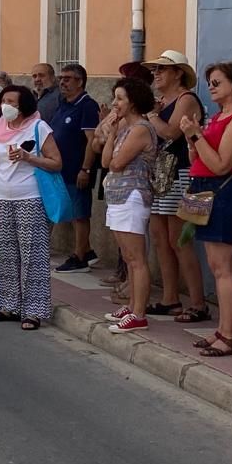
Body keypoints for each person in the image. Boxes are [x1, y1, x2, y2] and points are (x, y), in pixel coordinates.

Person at [180, 62, 232, 357]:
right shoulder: (217, 118)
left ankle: (229, 335)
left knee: (224, 268)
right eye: (209, 82)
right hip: (203, 189)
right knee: (215, 265)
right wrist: (192, 137)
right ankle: (222, 330)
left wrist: (197, 135)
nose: (210, 87)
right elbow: (197, 158)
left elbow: (222, 164)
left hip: (223, 192)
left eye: (216, 82)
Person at [0, 85, 62, 330]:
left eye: (12, 102)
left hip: (30, 199)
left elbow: (56, 162)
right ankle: (8, 306)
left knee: (33, 256)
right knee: (4, 255)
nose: (6, 106)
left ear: (24, 106)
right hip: (4, 199)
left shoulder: (38, 127)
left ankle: (33, 311)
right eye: (3, 100)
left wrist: (29, 157)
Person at [142, 51, 209, 321]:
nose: (156, 74)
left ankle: (198, 302)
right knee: (160, 238)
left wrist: (151, 116)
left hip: (182, 173)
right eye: (154, 70)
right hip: (161, 174)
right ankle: (170, 298)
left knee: (179, 239)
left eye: (162, 69)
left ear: (178, 73)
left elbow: (171, 132)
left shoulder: (187, 99)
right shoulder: (163, 102)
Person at [100, 78, 158, 333]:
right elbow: (104, 160)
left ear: (133, 101)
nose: (115, 103)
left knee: (137, 258)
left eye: (120, 98)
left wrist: (114, 148)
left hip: (133, 195)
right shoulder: (124, 127)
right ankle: (132, 304)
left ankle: (139, 313)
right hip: (117, 196)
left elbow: (116, 163)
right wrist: (112, 132)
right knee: (127, 256)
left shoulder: (141, 128)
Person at [51, 64, 104, 273]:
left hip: (78, 170)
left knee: (80, 214)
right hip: (61, 171)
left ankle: (79, 257)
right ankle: (87, 250)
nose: (62, 82)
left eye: (68, 78)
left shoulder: (87, 106)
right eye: (61, 78)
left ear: (80, 81)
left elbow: (91, 141)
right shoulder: (63, 104)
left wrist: (86, 169)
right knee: (72, 213)